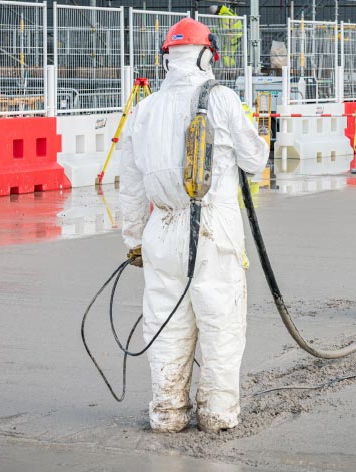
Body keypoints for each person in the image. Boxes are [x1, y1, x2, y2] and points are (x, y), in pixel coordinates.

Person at [119, 18, 269, 433]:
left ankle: (167, 413)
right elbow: (255, 162)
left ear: (166, 56)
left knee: (165, 320)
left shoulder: (144, 110)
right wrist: (258, 136)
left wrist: (134, 240)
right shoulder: (221, 99)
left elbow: (130, 184)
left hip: (160, 230)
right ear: (208, 55)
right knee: (220, 321)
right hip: (213, 228)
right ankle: (218, 414)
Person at [209, 4, 243, 69]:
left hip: (232, 37)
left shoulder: (224, 16)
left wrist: (213, 31)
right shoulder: (226, 11)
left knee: (227, 55)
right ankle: (231, 68)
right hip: (234, 35)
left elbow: (224, 30)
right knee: (229, 54)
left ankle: (230, 69)